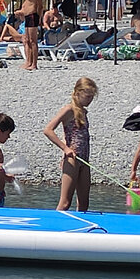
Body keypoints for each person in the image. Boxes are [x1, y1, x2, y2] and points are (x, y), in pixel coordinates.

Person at [43, 76, 98, 211]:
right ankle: (55, 228)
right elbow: (48, 130)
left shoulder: (83, 112)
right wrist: (65, 148)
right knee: (65, 202)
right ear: (78, 93)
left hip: (84, 159)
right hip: (72, 159)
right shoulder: (69, 109)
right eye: (87, 96)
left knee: (84, 202)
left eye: (92, 97)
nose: (89, 100)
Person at [19, 0, 43, 71]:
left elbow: (40, 6)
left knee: (33, 41)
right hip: (27, 16)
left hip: (33, 16)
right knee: (27, 40)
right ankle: (29, 61)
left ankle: (34, 63)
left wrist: (39, 18)